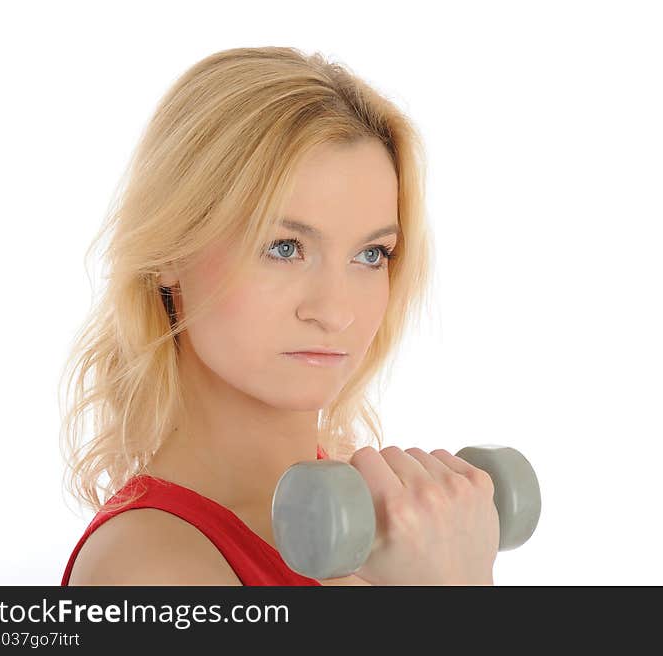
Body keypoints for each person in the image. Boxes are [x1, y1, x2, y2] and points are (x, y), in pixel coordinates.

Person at [59, 46, 498, 586]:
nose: (335, 312)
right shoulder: (147, 570)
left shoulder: (382, 536)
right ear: (171, 253)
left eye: (370, 255)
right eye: (285, 247)